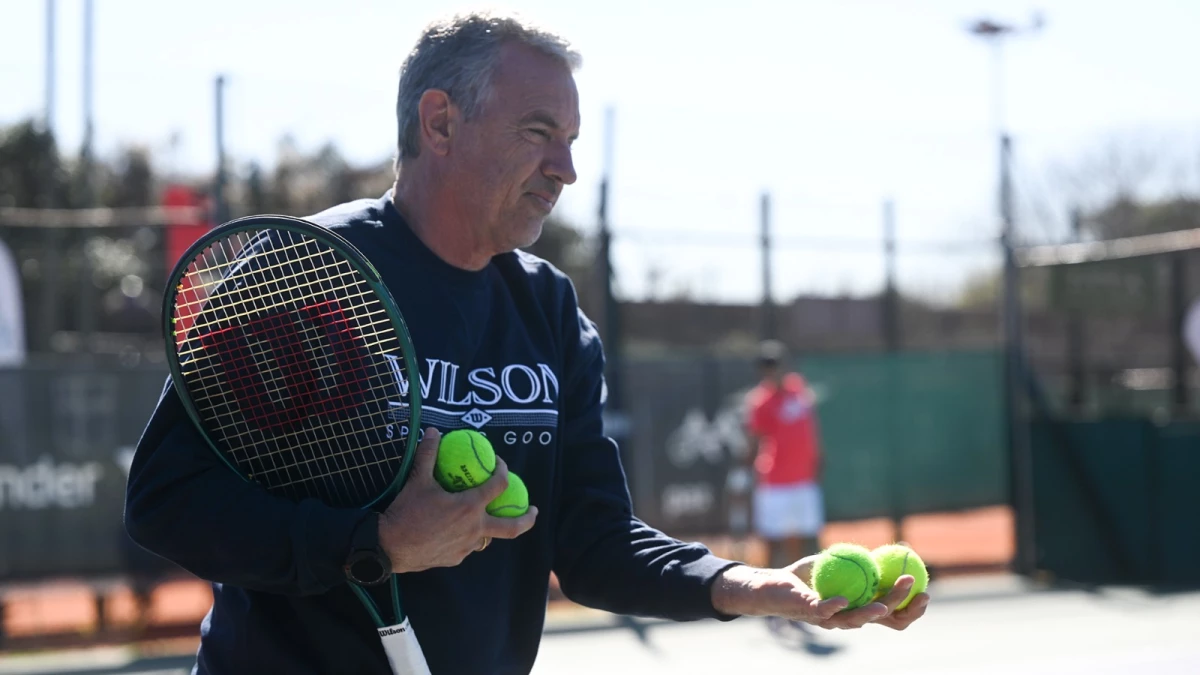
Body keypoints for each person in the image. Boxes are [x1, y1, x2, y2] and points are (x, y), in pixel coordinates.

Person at [124, 11, 929, 675]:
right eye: (539, 132)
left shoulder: (546, 307)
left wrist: (752, 583)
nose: (566, 169)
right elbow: (167, 499)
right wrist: (373, 546)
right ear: (440, 121)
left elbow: (590, 538)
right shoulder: (302, 272)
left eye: (572, 138)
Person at [742, 340, 827, 639]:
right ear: (762, 370)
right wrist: (744, 474)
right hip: (775, 482)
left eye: (776, 364)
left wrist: (819, 460)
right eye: (767, 366)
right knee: (773, 543)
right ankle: (769, 601)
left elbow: (810, 429)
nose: (773, 370)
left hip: (803, 480)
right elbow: (754, 442)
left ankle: (802, 601)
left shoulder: (798, 389)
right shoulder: (760, 401)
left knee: (804, 541)